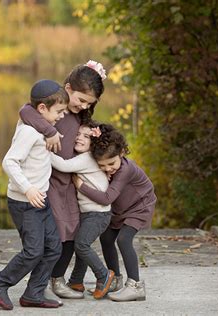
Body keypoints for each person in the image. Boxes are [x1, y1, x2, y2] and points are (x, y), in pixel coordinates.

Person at [19, 60, 112, 300]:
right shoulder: (54, 109)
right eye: (80, 100)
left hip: (69, 185)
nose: (82, 106)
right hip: (48, 183)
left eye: (88, 104)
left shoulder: (81, 119)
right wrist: (50, 131)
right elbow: (25, 111)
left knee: (72, 233)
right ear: (68, 88)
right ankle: (41, 283)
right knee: (54, 235)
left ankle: (58, 280)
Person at [0, 79, 68, 310]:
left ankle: (33, 294)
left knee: (53, 248)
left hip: (41, 201)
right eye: (59, 111)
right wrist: (28, 188)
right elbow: (9, 162)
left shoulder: (42, 128)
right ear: (42, 109)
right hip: (24, 202)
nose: (62, 116)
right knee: (33, 252)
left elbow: (44, 158)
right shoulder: (29, 131)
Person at [72, 123, 156, 302]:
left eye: (111, 163)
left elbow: (106, 198)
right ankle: (115, 280)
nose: (108, 168)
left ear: (122, 153)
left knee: (124, 239)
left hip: (139, 206)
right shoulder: (109, 167)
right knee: (107, 238)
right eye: (103, 166)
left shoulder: (126, 169)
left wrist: (81, 186)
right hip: (120, 210)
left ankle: (135, 286)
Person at [49, 122, 114, 299]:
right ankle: (76, 281)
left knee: (81, 245)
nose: (79, 138)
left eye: (86, 136)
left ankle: (103, 275)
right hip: (90, 213)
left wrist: (44, 150)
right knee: (81, 245)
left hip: (98, 214)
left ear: (94, 143)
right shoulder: (86, 158)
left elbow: (62, 165)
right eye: (78, 134)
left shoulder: (87, 158)